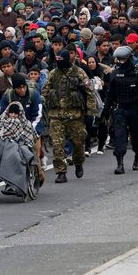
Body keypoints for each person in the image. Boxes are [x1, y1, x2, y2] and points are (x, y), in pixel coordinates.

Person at [42, 50, 97, 183]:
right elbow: (45, 91)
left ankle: (78, 162)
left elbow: (90, 93)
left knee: (78, 144)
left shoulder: (78, 72)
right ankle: (61, 172)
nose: (59, 62)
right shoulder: (53, 73)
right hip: (56, 116)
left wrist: (91, 113)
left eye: (62, 59)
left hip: (75, 116)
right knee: (57, 145)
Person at [103, 46, 138, 174]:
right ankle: (120, 163)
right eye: (119, 59)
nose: (121, 62)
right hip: (121, 110)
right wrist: (105, 113)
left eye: (124, 59)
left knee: (136, 138)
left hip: (135, 110)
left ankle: (137, 158)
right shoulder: (115, 74)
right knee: (119, 137)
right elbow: (110, 95)